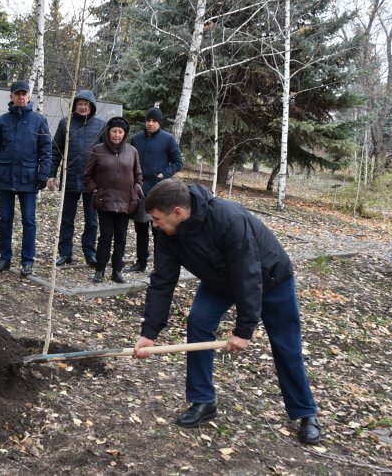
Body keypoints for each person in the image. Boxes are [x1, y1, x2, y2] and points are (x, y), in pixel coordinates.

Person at [132, 179, 321, 445]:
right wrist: (149, 332)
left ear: (178, 212)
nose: (154, 224)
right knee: (199, 321)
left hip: (270, 278)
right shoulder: (166, 232)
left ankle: (305, 412)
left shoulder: (227, 218)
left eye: (157, 219)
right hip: (220, 280)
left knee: (286, 345)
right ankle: (203, 401)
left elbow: (248, 274)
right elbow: (162, 280)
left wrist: (244, 330)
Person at [0, 80, 52, 277]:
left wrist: (43, 175)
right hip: (6, 179)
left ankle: (27, 260)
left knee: (29, 221)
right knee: (5, 219)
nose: (21, 97)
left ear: (29, 96)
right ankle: (5, 258)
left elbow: (46, 151)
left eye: (24, 94)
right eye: (18, 94)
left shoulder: (39, 120)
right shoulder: (2, 121)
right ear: (11, 97)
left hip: (29, 179)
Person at [48, 90, 105, 269]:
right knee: (66, 219)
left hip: (92, 181)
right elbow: (55, 150)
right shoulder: (65, 123)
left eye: (86, 104)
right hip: (70, 179)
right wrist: (52, 174)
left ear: (92, 106)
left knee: (92, 220)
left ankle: (90, 253)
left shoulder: (101, 126)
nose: (82, 107)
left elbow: (107, 153)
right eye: (80, 103)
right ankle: (65, 252)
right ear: (75, 105)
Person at [82, 117, 143, 285]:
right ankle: (100, 270)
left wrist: (136, 190)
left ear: (125, 134)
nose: (117, 135)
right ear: (108, 132)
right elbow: (87, 176)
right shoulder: (98, 150)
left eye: (120, 132)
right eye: (114, 131)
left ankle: (117, 271)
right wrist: (95, 190)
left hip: (126, 203)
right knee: (105, 236)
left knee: (121, 238)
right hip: (105, 202)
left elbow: (138, 175)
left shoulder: (132, 151)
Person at [126, 106, 183, 273]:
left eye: (154, 121)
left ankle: (159, 265)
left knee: (159, 230)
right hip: (140, 189)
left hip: (160, 192)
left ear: (159, 123)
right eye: (148, 120)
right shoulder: (136, 139)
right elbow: (129, 160)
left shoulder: (168, 139)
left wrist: (164, 174)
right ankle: (141, 262)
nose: (150, 124)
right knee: (140, 228)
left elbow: (178, 162)